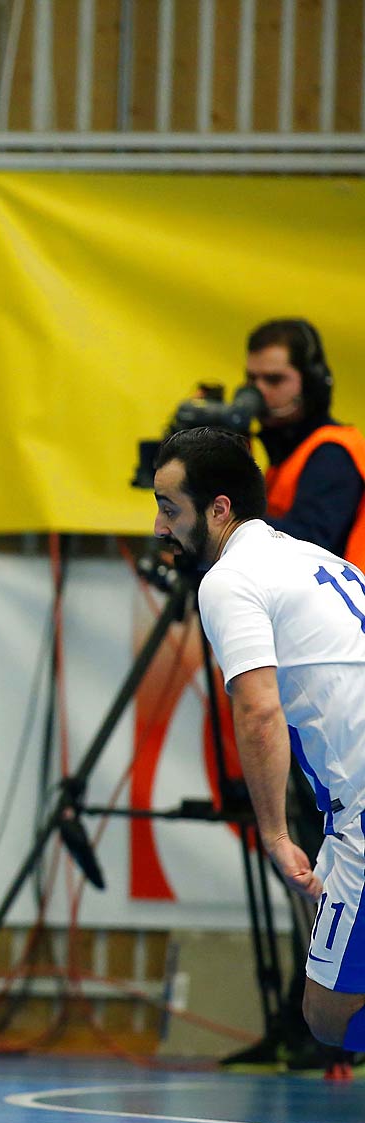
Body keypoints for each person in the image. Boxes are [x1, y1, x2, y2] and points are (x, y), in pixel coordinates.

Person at [152, 428, 365, 1055]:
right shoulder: (322, 559)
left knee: (328, 1016)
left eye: (170, 508)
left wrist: (273, 833)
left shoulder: (229, 579)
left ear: (219, 508)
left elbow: (259, 712)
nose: (161, 527)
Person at [248, 318, 365, 563]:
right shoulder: (289, 453)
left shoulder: (332, 452)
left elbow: (310, 548)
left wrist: (231, 518)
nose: (259, 391)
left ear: (310, 383)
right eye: (251, 379)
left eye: (274, 379)